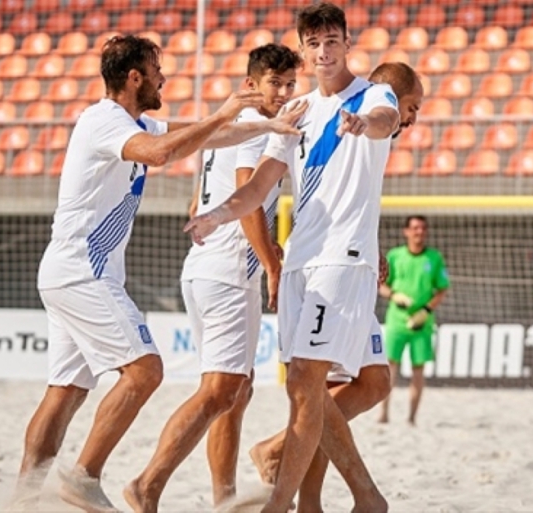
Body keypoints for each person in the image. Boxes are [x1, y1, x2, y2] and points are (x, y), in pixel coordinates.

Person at [13, 35, 304, 512]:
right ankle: (86, 476)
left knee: (65, 390)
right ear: (135, 77)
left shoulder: (135, 120)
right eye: (157, 70)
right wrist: (223, 113)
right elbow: (158, 153)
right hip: (85, 271)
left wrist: (255, 122)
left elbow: (207, 137)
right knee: (146, 371)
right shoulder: (106, 120)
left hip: (70, 270)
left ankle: (21, 500)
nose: (163, 78)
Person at [185, 3, 406, 510]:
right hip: (299, 265)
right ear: (304, 52)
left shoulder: (373, 94)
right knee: (306, 391)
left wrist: (363, 122)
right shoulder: (296, 112)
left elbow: (386, 120)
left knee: (310, 382)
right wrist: (217, 216)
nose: (324, 51)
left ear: (347, 44)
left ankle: (278, 504)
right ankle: (360, 499)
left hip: (342, 260)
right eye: (314, 44)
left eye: (332, 40)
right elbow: (259, 186)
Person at [123, 44, 303, 513]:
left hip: (208, 269)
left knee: (235, 392)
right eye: (274, 84)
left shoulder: (237, 127)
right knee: (220, 390)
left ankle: (223, 498)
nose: (283, 94)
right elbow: (248, 196)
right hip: (225, 273)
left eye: (289, 85)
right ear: (251, 84)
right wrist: (271, 262)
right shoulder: (251, 129)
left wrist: (264, 248)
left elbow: (196, 204)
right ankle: (148, 484)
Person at [248, 61, 424, 513]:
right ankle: (344, 497)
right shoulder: (356, 109)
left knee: (374, 381)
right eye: (412, 107)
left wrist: (372, 247)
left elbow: (349, 196)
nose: (413, 119)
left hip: (350, 262)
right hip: (324, 267)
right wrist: (268, 256)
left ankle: (280, 454)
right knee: (314, 385)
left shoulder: (365, 120)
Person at [378, 215, 450, 425]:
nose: (419, 232)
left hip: (422, 323)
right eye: (415, 228)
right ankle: (384, 413)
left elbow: (442, 289)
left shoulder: (434, 258)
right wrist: (393, 295)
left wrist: (426, 310)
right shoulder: (395, 256)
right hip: (397, 320)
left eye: (423, 228)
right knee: (390, 367)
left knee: (418, 369)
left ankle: (412, 417)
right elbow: (381, 285)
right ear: (406, 231)